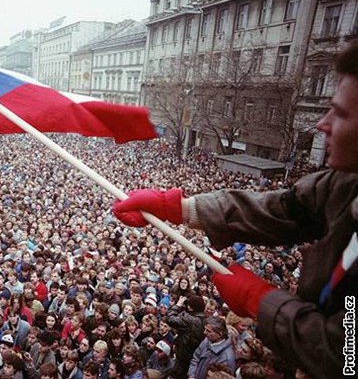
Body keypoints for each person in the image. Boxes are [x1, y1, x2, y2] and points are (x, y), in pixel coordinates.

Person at [113, 42, 358, 378]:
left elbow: (347, 355)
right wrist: (180, 208)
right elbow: (285, 209)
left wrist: (263, 303)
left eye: (341, 113)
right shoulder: (346, 184)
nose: (322, 124)